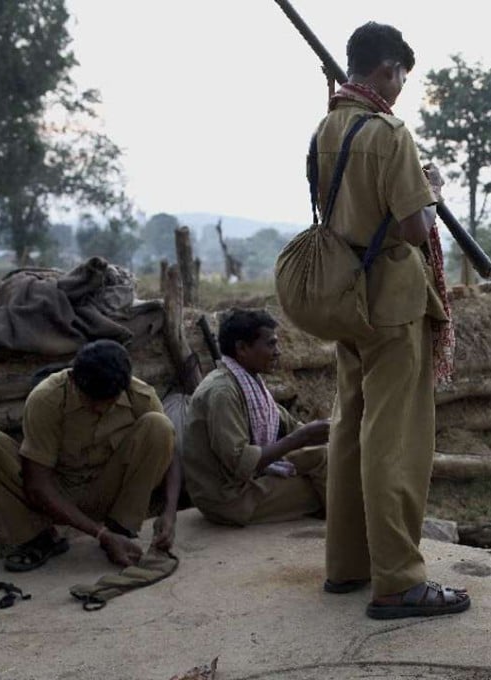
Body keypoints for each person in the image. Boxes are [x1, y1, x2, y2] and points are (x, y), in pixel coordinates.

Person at [314, 21, 468, 619]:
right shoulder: (387, 132)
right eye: (402, 75)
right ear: (387, 69)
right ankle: (399, 580)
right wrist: (432, 188)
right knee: (395, 440)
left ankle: (346, 566)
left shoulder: (327, 126)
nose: (403, 87)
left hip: (346, 297)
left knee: (350, 427)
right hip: (395, 303)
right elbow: (412, 228)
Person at [0, 340, 179, 571]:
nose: (100, 410)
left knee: (160, 425)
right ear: (74, 381)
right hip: (55, 493)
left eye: (109, 402)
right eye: (92, 401)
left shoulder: (140, 395)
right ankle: (39, 538)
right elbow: (37, 485)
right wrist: (100, 534)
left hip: (107, 490)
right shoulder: (46, 398)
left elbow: (171, 451)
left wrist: (169, 514)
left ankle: (121, 529)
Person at [183, 309, 329, 526]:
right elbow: (241, 462)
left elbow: (292, 428)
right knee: (333, 485)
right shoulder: (222, 392)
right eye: (270, 344)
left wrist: (338, 431)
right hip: (229, 498)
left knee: (326, 456)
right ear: (242, 348)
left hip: (245, 482)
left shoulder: (250, 384)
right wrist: (302, 438)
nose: (277, 352)